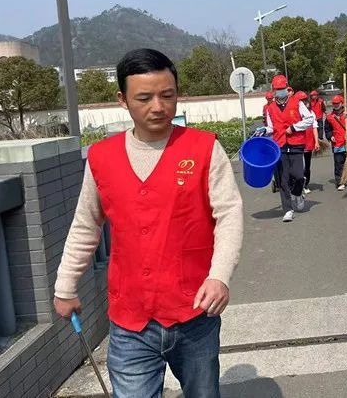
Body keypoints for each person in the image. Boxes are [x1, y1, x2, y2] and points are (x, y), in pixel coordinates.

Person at [53, 48, 243, 398]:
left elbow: (228, 215)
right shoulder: (101, 157)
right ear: (122, 100)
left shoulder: (204, 148)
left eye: (167, 95)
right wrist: (65, 286)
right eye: (145, 97)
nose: (158, 106)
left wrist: (219, 276)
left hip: (194, 313)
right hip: (130, 320)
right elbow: (85, 225)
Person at [258, 75, 314, 222]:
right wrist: (265, 130)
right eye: (277, 89)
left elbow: (309, 119)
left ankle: (297, 193)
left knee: (299, 176)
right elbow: (271, 127)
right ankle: (288, 209)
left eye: (282, 89)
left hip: (296, 144)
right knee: (283, 180)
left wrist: (294, 127)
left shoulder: (297, 103)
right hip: (279, 146)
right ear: (274, 90)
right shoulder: (270, 108)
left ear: (287, 89)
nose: (280, 91)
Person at [325, 94, 347, 191]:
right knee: (338, 163)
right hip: (337, 144)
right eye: (334, 103)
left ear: (342, 103)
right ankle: (340, 182)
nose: (335, 105)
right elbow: (327, 130)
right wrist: (330, 136)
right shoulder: (329, 117)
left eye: (337, 103)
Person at [296, 91, 321, 195]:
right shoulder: (294, 113)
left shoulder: (311, 113)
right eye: (301, 100)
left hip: (309, 142)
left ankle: (306, 185)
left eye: (304, 100)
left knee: (307, 165)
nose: (303, 102)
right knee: (297, 166)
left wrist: (317, 142)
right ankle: (298, 185)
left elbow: (314, 127)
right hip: (297, 142)